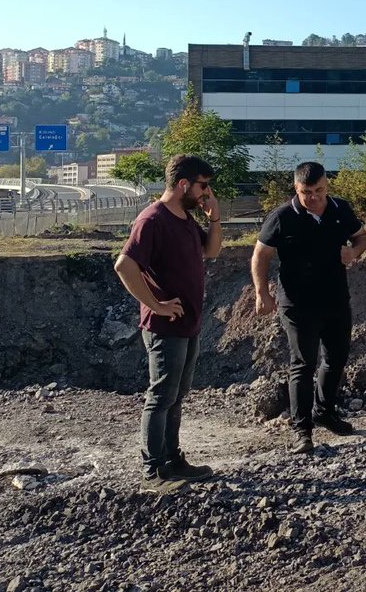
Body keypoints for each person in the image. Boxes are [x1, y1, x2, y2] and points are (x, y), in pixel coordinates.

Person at [114, 154, 223, 494]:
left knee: (176, 396)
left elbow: (212, 252)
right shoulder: (152, 220)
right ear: (183, 184)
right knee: (161, 396)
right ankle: (154, 471)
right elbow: (124, 265)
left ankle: (173, 460)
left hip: (188, 324)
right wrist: (156, 305)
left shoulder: (186, 219)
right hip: (165, 327)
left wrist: (214, 218)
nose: (206, 192)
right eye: (203, 186)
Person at [252, 162, 366, 455]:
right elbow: (260, 255)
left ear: (327, 186)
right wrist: (261, 293)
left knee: (337, 357)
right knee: (303, 364)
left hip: (335, 299)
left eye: (319, 191)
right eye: (307, 192)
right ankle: (301, 429)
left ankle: (324, 411)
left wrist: (353, 251)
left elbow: (362, 237)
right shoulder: (281, 217)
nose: (314, 197)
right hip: (297, 303)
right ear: (296, 189)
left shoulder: (340, 209)